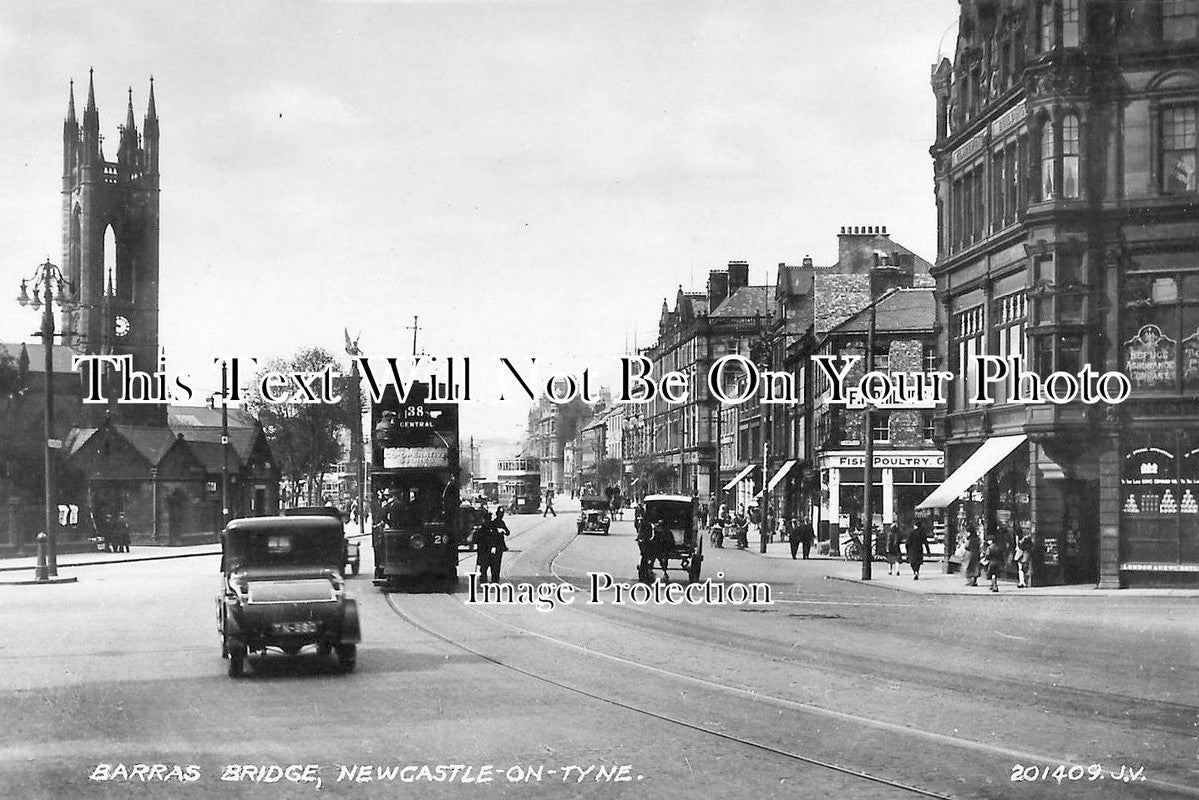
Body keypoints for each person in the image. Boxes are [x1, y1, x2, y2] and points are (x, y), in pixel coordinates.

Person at [479, 507, 511, 583]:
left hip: (499, 546)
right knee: (487, 564)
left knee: (496, 565)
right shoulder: (492, 524)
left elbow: (507, 532)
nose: (501, 515)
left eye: (502, 514)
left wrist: (503, 531)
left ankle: (495, 579)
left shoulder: (501, 523)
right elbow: (491, 536)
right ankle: (486, 579)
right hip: (490, 547)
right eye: (500, 514)